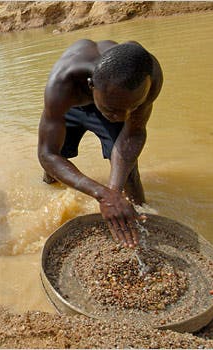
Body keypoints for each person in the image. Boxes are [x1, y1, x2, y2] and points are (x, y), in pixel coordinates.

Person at [37, 39, 163, 248]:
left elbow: (134, 132)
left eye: (133, 107)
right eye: (115, 111)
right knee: (53, 169)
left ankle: (140, 218)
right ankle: (50, 190)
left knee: (129, 172)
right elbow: (47, 154)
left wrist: (113, 192)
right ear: (90, 85)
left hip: (113, 99)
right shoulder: (62, 84)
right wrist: (102, 194)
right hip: (74, 105)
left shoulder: (149, 76)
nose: (122, 118)